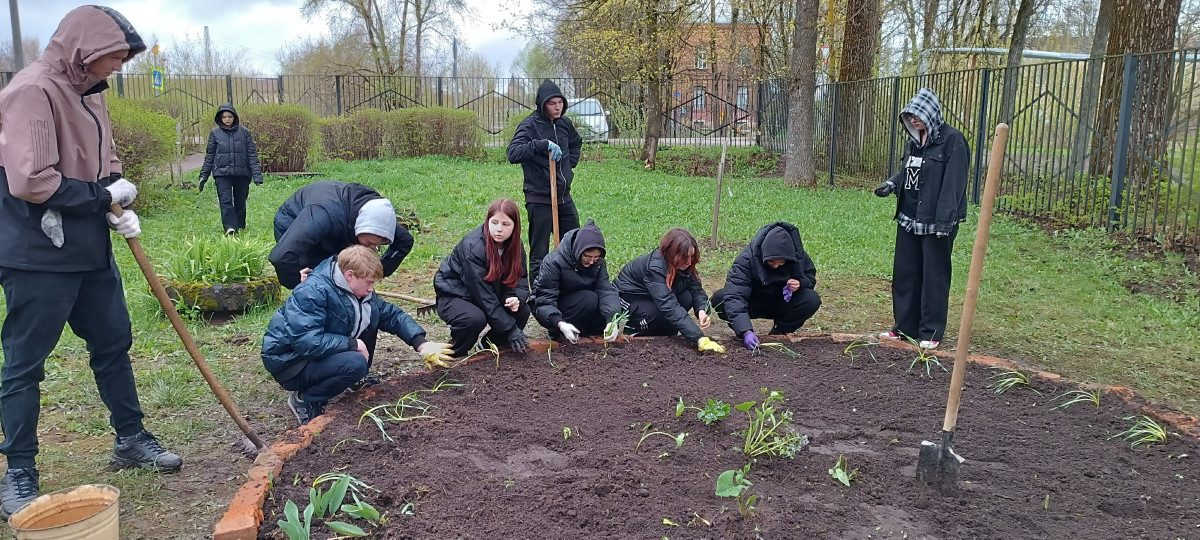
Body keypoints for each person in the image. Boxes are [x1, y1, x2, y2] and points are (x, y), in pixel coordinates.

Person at [0, 5, 182, 518]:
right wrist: (102, 198)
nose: (120, 66)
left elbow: (107, 159)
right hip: (37, 252)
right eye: (115, 56)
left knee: (112, 343)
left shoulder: (92, 91)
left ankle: (131, 438)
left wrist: (118, 193)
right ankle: (19, 470)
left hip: (89, 248)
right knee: (25, 364)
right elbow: (32, 181)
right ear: (84, 50)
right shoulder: (32, 91)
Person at [262, 245, 453, 426]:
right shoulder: (312, 292)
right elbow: (307, 342)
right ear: (350, 275)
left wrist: (421, 344)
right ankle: (305, 399)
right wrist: (353, 344)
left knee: (368, 321)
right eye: (369, 282)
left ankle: (351, 378)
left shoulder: (357, 292)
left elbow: (392, 316)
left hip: (314, 356)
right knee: (355, 363)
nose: (371, 289)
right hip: (291, 364)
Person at [269, 180, 415, 388]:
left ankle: (356, 369)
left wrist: (372, 272)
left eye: (378, 245)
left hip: (340, 230)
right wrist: (299, 283)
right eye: (370, 244)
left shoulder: (378, 220)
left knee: (359, 300)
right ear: (360, 226)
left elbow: (405, 242)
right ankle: (316, 362)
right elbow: (280, 256)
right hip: (295, 227)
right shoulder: (323, 215)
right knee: (326, 298)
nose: (373, 248)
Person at [874, 88, 970, 350]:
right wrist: (891, 184)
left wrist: (944, 223)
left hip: (936, 222)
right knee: (906, 273)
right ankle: (904, 327)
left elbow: (954, 185)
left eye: (918, 115)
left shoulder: (953, 141)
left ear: (932, 114)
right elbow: (909, 174)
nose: (914, 120)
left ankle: (931, 330)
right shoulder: (914, 142)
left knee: (933, 277)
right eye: (910, 116)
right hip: (909, 218)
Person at [507, 79, 584, 286]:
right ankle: (539, 294)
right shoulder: (530, 125)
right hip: (539, 198)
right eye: (552, 103)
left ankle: (568, 288)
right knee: (540, 252)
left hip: (563, 197)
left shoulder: (564, 124)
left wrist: (569, 164)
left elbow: (576, 142)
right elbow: (513, 153)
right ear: (542, 104)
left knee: (574, 244)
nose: (557, 107)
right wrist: (541, 145)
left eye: (560, 102)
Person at [434, 199, 531, 357]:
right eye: (494, 223)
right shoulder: (472, 247)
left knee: (521, 311)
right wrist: (511, 329)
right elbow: (483, 295)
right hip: (456, 294)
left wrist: (515, 298)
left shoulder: (515, 246)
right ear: (487, 222)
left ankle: (488, 346)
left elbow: (521, 279)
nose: (499, 229)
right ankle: (455, 353)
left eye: (505, 224)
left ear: (515, 226)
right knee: (473, 319)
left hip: (490, 291)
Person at [711, 222, 822, 350]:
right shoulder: (746, 259)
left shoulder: (799, 256)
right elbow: (734, 295)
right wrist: (745, 330)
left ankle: (779, 332)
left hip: (782, 302)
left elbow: (810, 278)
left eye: (781, 262)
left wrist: (800, 283)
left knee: (811, 299)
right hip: (754, 301)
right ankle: (745, 335)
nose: (776, 266)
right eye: (771, 261)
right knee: (720, 298)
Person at [613, 228, 726, 354]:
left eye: (692, 256)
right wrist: (698, 338)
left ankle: (668, 331)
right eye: (685, 257)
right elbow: (668, 305)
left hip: (655, 295)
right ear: (671, 253)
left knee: (687, 297)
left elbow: (696, 289)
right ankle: (635, 333)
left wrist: (701, 310)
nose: (689, 262)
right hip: (630, 295)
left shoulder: (685, 264)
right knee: (652, 313)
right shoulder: (655, 268)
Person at [531, 219, 621, 343]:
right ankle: (560, 333)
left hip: (582, 304)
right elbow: (544, 300)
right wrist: (559, 323)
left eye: (596, 257)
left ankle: (585, 334)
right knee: (589, 298)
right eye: (587, 256)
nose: (591, 262)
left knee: (603, 313)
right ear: (578, 250)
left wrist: (612, 320)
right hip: (558, 306)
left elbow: (605, 290)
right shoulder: (554, 262)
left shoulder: (598, 263)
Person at [197, 103, 263, 234]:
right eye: (224, 117)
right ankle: (230, 227)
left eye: (230, 117)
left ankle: (239, 224)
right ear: (220, 118)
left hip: (241, 173)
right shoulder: (215, 133)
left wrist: (257, 175)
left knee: (240, 201)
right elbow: (210, 155)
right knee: (225, 200)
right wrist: (204, 175)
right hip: (222, 174)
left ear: (234, 117)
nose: (227, 119)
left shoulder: (244, 132)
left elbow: (252, 154)